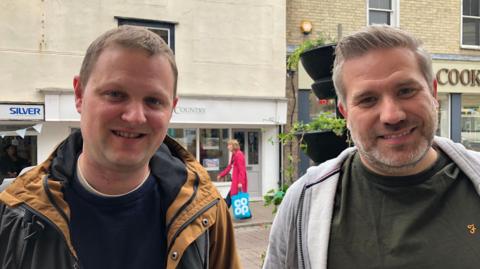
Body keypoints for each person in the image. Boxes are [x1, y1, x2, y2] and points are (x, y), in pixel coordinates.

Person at [0, 25, 240, 269]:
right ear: (79, 94)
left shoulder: (207, 214)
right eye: (115, 94)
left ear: (172, 107)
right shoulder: (14, 213)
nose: (135, 117)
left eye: (154, 101)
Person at [264, 25, 480, 269]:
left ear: (432, 92)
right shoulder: (303, 203)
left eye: (406, 91)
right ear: (345, 113)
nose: (392, 115)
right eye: (367, 100)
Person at [217, 139, 248, 208]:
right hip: (235, 181)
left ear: (233, 146)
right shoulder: (234, 155)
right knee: (234, 197)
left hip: (238, 181)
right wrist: (221, 175)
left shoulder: (239, 155)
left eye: (229, 145)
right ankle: (245, 214)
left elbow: (242, 170)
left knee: (233, 198)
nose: (227, 147)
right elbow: (229, 167)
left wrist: (240, 182)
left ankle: (224, 212)